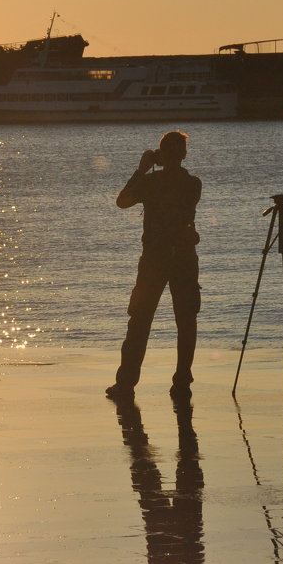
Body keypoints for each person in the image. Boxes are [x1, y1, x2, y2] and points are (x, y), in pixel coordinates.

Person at [106, 130, 201, 402]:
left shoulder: (150, 183)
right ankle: (182, 382)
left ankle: (125, 385)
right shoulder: (193, 184)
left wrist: (142, 169)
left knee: (140, 322)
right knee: (185, 321)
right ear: (183, 154)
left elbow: (123, 201)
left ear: (161, 155)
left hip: (154, 260)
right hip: (183, 258)